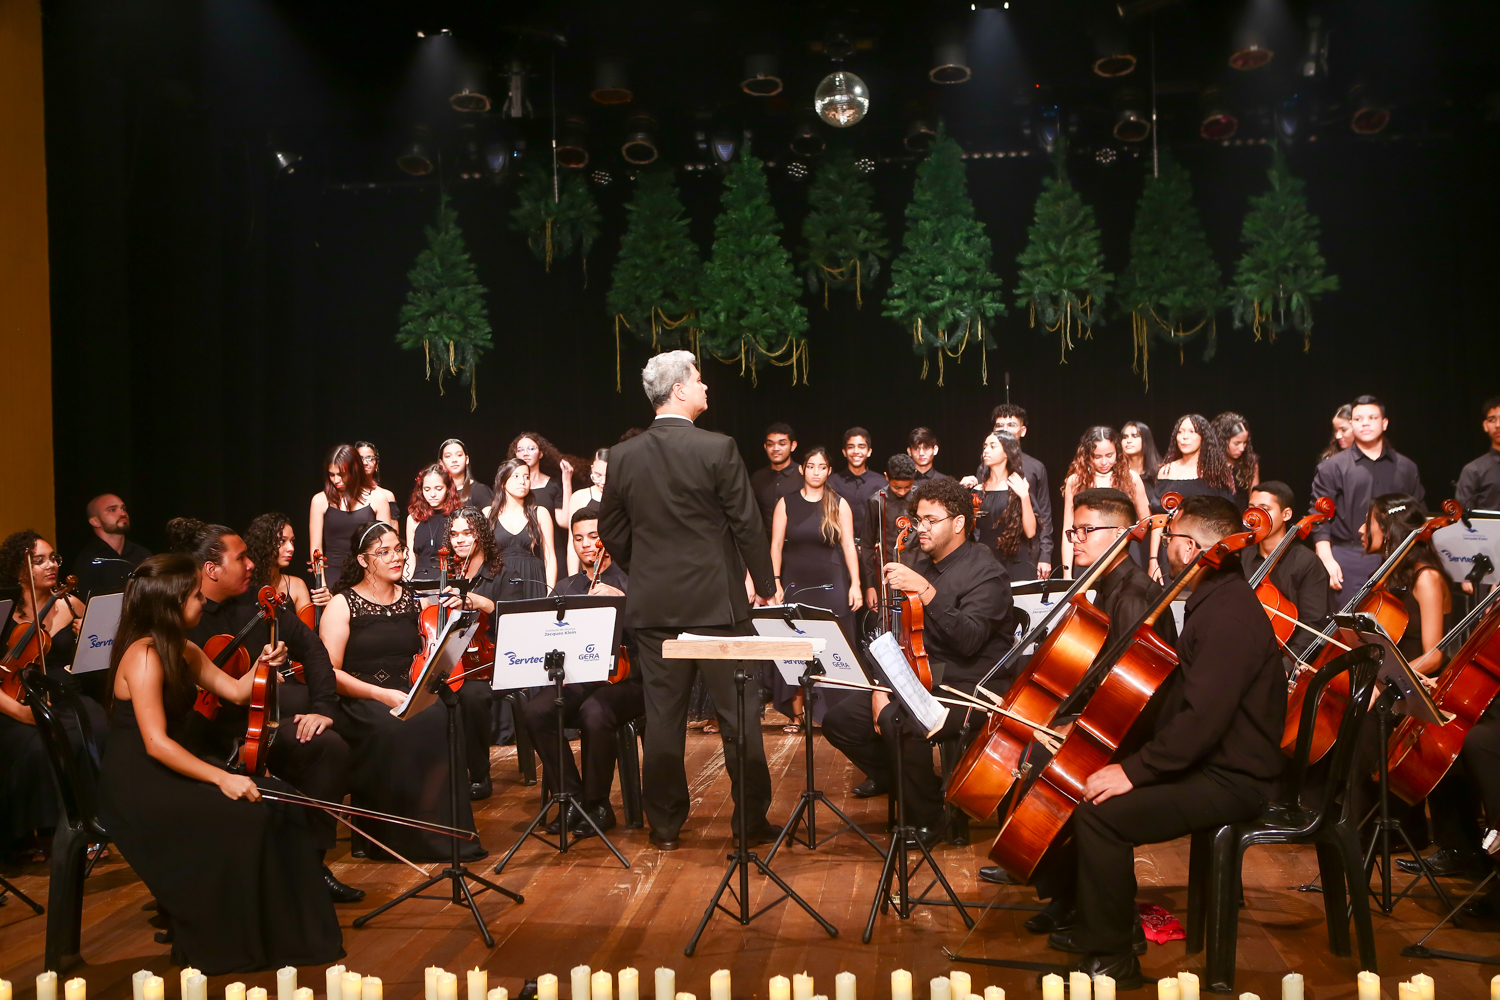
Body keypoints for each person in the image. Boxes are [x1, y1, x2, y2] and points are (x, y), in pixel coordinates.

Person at [1053, 495, 1285, 988]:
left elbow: (1202, 720)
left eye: (1171, 536)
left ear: (1190, 547)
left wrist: (1133, 770)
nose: (1163, 546)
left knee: (1100, 814)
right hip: (1212, 765)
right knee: (1092, 789)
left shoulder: (1228, 616)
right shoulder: (1214, 600)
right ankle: (1099, 927)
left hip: (1233, 779)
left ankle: (1114, 958)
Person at [99, 553, 344, 974]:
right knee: (246, 815)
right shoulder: (144, 656)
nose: (201, 602)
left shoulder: (183, 647)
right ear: (170, 605)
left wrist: (265, 665)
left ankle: (284, 936)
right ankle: (234, 938)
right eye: (194, 596)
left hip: (173, 765)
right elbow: (156, 744)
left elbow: (233, 691)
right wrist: (222, 779)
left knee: (282, 799)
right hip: (140, 781)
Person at [598, 350, 778, 852]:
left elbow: (611, 527)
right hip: (716, 607)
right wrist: (765, 583)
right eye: (699, 380)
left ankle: (665, 826)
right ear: (679, 389)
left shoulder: (624, 456)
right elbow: (746, 522)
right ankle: (749, 822)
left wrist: (646, 569)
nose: (705, 388)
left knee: (663, 720)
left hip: (655, 608)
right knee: (739, 718)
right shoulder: (718, 448)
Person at [977, 488, 1176, 898]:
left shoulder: (1133, 596)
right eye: (1073, 532)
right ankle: (1050, 879)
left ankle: (1053, 880)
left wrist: (1070, 723)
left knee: (1035, 757)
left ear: (1122, 533)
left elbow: (1126, 689)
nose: (1077, 539)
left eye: (1087, 530)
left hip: (1131, 728)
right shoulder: (1105, 586)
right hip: (1106, 715)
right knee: (1020, 743)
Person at [169, 517, 361, 903]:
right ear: (211, 569)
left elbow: (313, 650)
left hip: (260, 725)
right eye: (241, 559)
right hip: (204, 736)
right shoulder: (182, 617)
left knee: (329, 747)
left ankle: (310, 865)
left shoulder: (259, 602)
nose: (252, 564)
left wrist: (324, 707)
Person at [823, 478, 1013, 839]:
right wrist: (880, 686)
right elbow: (895, 636)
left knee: (901, 722)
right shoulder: (921, 564)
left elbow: (970, 639)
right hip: (920, 680)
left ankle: (930, 818)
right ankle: (920, 787)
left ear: (958, 524)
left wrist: (925, 591)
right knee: (841, 721)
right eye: (918, 520)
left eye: (930, 520)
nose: (920, 528)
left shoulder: (986, 571)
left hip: (970, 685)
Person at [318, 521, 485, 863]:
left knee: (442, 716)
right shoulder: (342, 604)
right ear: (364, 560)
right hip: (362, 697)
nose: (395, 558)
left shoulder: (412, 599)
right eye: (384, 552)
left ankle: (441, 833)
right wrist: (381, 695)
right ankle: (394, 839)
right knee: (394, 726)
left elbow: (432, 650)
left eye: (398, 550)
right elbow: (329, 673)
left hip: (408, 691)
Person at [520, 504, 643, 837]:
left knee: (594, 711)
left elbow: (652, 631)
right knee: (536, 712)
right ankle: (573, 799)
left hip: (628, 679)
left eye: (594, 536)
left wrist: (624, 601)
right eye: (578, 538)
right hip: (578, 677)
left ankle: (598, 804)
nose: (587, 544)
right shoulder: (565, 587)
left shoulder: (632, 580)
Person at [0, 531, 99, 863]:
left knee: (95, 727)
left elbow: (97, 660)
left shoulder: (71, 603)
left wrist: (87, 633)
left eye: (53, 557)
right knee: (35, 747)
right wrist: (21, 712)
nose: (50, 565)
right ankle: (39, 832)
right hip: (15, 697)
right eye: (38, 560)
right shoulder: (5, 613)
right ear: (19, 570)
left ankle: (92, 823)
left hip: (64, 691)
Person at [769, 446, 862, 730]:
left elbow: (848, 546)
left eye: (822, 467)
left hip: (832, 584)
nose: (816, 472)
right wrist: (774, 582)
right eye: (811, 466)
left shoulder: (838, 503)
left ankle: (835, 715)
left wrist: (856, 583)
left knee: (834, 647)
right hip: (795, 583)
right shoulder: (786, 502)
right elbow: (775, 545)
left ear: (829, 471)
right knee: (795, 648)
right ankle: (798, 715)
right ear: (802, 469)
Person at [1308, 395, 1425, 600]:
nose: (1365, 424)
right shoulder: (1331, 467)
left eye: (1372, 418)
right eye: (1359, 419)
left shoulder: (1406, 467)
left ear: (1384, 423)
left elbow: (1418, 515)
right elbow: (1319, 517)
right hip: (1348, 557)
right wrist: (1326, 559)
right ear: (1352, 424)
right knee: (1349, 627)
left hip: (1399, 558)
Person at [437, 505, 512, 800]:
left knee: (472, 696)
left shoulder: (502, 573)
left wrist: (481, 602)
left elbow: (513, 619)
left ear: (480, 534)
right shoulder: (447, 573)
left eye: (467, 533)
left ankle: (479, 773)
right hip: (451, 659)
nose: (460, 540)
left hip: (489, 661)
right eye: (454, 534)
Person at [1241, 482, 1329, 659]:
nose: (1255, 516)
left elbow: (1312, 627)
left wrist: (1286, 668)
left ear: (1286, 514)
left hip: (1282, 660)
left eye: (1264, 509)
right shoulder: (1241, 556)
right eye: (1252, 508)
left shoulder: (1307, 563)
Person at [1058, 428, 1150, 578]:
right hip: (1088, 554)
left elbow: (1146, 522)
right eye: (1097, 456)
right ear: (1087, 455)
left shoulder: (1131, 478)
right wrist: (1067, 574)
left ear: (1117, 453)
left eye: (1109, 455)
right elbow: (1068, 528)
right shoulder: (1075, 481)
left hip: (1123, 557)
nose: (1104, 462)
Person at [1154, 414, 1237, 581]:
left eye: (1192, 431)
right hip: (1173, 550)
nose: (1184, 437)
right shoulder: (1166, 471)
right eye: (1180, 432)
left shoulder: (1217, 473)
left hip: (1206, 551)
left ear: (1203, 437)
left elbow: (1226, 520)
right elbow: (1158, 519)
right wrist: (1152, 560)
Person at [309, 443, 394, 601]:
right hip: (332, 575)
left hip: (368, 576)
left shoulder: (378, 499)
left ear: (355, 470)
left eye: (341, 474)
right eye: (331, 475)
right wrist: (323, 587)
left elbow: (385, 547)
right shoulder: (320, 500)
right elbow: (316, 550)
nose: (336, 480)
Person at [992, 404, 1056, 579]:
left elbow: (1045, 514)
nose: (1005, 430)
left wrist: (1045, 555)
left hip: (1026, 551)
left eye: (1011, 425)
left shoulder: (1035, 467)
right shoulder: (985, 467)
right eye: (1000, 426)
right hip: (992, 553)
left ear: (1023, 430)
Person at [968, 431, 1038, 583]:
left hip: (1016, 561)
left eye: (993, 446)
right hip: (986, 562)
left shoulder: (1018, 486)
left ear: (1007, 452)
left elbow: (1031, 531)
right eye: (985, 446)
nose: (986, 450)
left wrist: (1024, 496)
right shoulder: (977, 490)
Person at [485, 457, 556, 597]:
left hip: (533, 578)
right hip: (501, 579)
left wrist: (551, 591)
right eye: (516, 476)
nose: (522, 481)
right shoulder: (489, 514)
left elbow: (550, 556)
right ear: (503, 481)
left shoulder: (540, 513)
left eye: (526, 477)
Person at [509, 431, 574, 577]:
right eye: (520, 450)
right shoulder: (510, 486)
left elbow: (564, 521)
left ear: (541, 454)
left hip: (552, 553)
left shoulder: (553, 485)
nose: (525, 453)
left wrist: (566, 481)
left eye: (531, 448)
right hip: (524, 554)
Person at [860, 454, 918, 613]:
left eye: (908, 487)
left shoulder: (921, 498)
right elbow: (866, 544)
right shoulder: (877, 501)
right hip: (886, 575)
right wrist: (870, 585)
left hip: (918, 570)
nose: (902, 492)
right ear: (886, 477)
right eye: (897, 487)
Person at [69, 493, 151, 599]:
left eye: (123, 508)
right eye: (112, 510)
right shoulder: (88, 560)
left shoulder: (142, 554)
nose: (122, 513)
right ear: (95, 521)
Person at [244, 513, 315, 623]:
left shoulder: (297, 585)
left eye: (292, 541)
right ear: (263, 543)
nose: (291, 548)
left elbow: (308, 635)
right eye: (282, 541)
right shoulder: (244, 585)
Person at [404, 463, 458, 581]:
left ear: (448, 489)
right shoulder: (413, 518)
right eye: (427, 489)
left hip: (447, 578)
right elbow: (410, 557)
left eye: (438, 489)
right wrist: (406, 582)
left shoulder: (457, 517)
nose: (432, 494)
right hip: (418, 579)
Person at [829, 427, 884, 545]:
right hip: (838, 548)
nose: (856, 451)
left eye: (861, 446)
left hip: (871, 550)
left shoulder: (881, 483)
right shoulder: (832, 482)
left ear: (869, 451)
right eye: (851, 447)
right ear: (844, 452)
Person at [565, 448, 610, 574]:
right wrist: (573, 578)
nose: (603, 482)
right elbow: (572, 541)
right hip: (588, 567)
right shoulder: (579, 497)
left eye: (608, 475)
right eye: (598, 475)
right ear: (591, 469)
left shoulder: (624, 497)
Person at [751, 422, 802, 532]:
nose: (775, 448)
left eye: (782, 444)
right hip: (765, 544)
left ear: (793, 446)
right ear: (765, 446)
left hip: (797, 544)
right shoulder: (758, 478)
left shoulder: (803, 475)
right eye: (770, 444)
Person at [1455, 396, 1500, 513]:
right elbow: (1463, 518)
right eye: (1492, 420)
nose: (1498, 425)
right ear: (1485, 425)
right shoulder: (1473, 470)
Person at [1212, 412, 1260, 503]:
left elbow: (1255, 498)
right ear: (1222, 441)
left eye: (1245, 443)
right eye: (1237, 443)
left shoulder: (1250, 462)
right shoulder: (1210, 464)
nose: (1242, 448)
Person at [440, 437, 494, 510]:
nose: (454, 460)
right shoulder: (437, 493)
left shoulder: (479, 491)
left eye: (459, 455)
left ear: (467, 459)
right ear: (441, 463)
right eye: (448, 456)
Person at [353, 440, 399, 514]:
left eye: (370, 458)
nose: (365, 463)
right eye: (360, 458)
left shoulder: (386, 495)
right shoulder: (345, 494)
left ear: (376, 465)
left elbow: (393, 525)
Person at [1118, 421, 1161, 489]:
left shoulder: (1159, 472)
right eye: (1125, 437)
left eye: (1135, 436)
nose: (1129, 441)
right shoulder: (1117, 473)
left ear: (1145, 441)